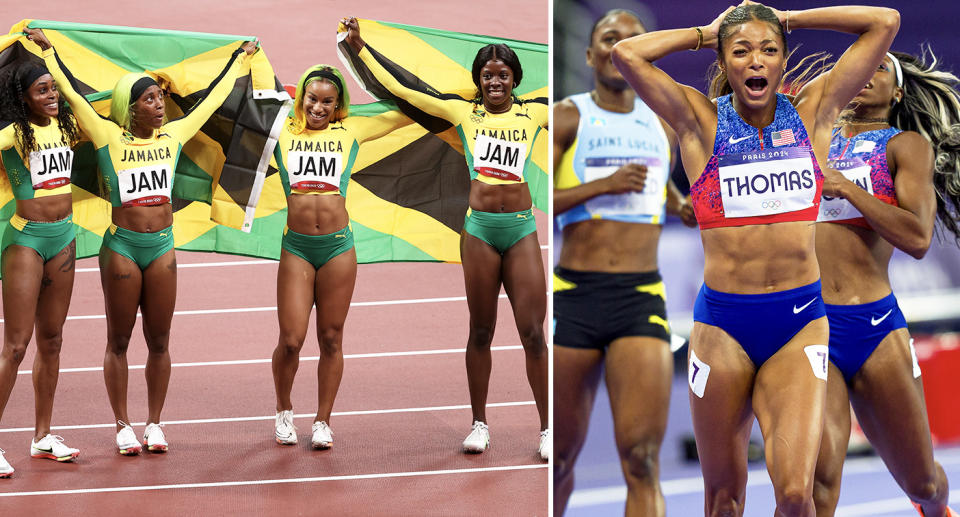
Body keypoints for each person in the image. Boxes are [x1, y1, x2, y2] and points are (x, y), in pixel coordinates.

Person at [610, 3, 899, 515]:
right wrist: (706, 31)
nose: (756, 61)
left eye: (768, 50)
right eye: (741, 51)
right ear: (725, 63)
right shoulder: (698, 121)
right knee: (724, 499)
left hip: (799, 326)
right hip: (723, 327)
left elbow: (885, 22)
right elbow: (627, 54)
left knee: (794, 494)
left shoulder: (813, 112)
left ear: (783, 61)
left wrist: (790, 19)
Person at [28, 27, 257, 455]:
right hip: (123, 248)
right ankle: (122, 425)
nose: (160, 106)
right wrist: (50, 50)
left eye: (159, 98)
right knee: (119, 340)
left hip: (163, 247)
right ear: (129, 109)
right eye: (150, 100)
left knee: (160, 340)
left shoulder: (174, 136)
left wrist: (241, 61)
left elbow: (209, 102)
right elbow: (74, 97)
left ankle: (154, 423)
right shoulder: (108, 136)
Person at [341, 17, 550, 460]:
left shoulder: (537, 111)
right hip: (478, 231)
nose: (495, 81)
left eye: (503, 74)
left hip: (520, 229)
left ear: (515, 79)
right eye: (487, 75)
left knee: (533, 332)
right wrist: (360, 49)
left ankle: (548, 428)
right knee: (481, 329)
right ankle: (479, 424)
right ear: (479, 80)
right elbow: (406, 90)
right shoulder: (462, 111)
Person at [552, 9, 695, 516]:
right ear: (590, 55)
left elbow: (658, 184)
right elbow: (523, 198)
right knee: (560, 457)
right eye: (608, 40)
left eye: (631, 41)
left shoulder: (665, 125)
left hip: (639, 297)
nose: (619, 49)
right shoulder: (567, 117)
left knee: (642, 458)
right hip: (574, 298)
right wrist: (603, 185)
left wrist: (679, 202)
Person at [813, 49, 960, 517]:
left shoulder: (906, 146)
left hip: (873, 326)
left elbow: (917, 237)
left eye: (880, 68)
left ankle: (937, 511)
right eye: (859, 66)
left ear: (897, 90)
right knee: (819, 479)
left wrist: (851, 191)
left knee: (923, 481)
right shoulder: (809, 141)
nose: (865, 74)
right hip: (810, 325)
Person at [271, 64, 411, 449]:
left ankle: (322, 420)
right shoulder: (281, 130)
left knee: (331, 338)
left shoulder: (352, 131)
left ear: (339, 105)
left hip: (338, 247)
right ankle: (283, 410)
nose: (319, 108)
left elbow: (404, 110)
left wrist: (361, 52)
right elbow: (240, 105)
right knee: (291, 340)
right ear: (301, 99)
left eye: (327, 102)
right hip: (297, 247)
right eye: (312, 100)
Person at [0, 60, 83, 477]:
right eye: (42, 91)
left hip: (63, 238)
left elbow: (104, 110)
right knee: (16, 345)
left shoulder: (67, 126)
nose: (52, 96)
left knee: (52, 340)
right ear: (23, 98)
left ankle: (43, 436)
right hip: (26, 240)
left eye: (53, 89)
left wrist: (51, 58)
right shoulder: (12, 135)